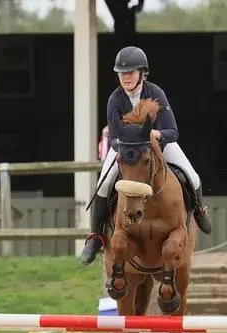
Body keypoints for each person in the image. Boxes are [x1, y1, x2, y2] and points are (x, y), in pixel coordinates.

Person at [79, 45, 213, 265]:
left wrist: (155, 135)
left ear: (142, 73)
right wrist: (126, 142)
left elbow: (173, 131)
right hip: (125, 149)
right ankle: (95, 236)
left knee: (192, 174)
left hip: (157, 145)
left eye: (130, 72)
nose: (126, 77)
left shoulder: (156, 93)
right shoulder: (115, 99)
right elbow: (112, 138)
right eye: (122, 73)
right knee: (102, 186)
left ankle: (198, 211)